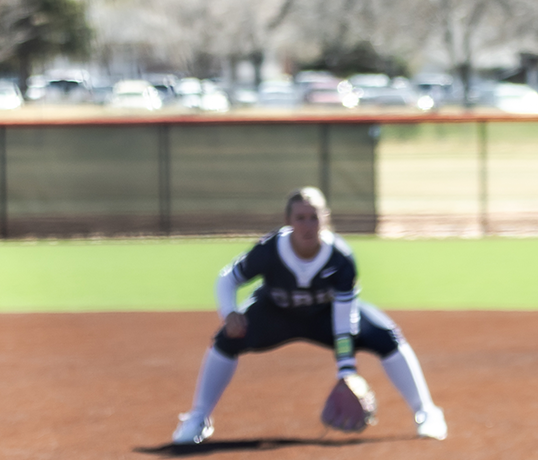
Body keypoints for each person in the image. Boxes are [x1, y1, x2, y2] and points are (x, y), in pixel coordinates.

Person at [172, 186, 447, 444]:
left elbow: (343, 320)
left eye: (313, 217)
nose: (307, 225)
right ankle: (198, 418)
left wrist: (346, 371)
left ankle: (427, 413)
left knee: (386, 336)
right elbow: (227, 279)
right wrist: (229, 312)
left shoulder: (340, 258)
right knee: (226, 339)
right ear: (288, 220)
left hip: (324, 319)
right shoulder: (270, 250)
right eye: (300, 217)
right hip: (274, 316)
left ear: (325, 219)